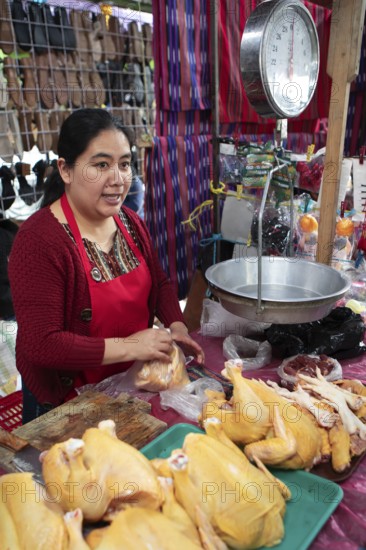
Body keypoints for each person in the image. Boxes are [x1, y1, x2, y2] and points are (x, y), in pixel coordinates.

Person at [8, 108, 204, 423]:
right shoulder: (39, 241)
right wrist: (130, 346)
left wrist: (177, 326)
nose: (117, 179)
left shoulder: (131, 223)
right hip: (66, 403)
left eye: (124, 164)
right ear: (66, 171)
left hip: (130, 385)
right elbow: (41, 344)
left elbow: (160, 281)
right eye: (101, 165)